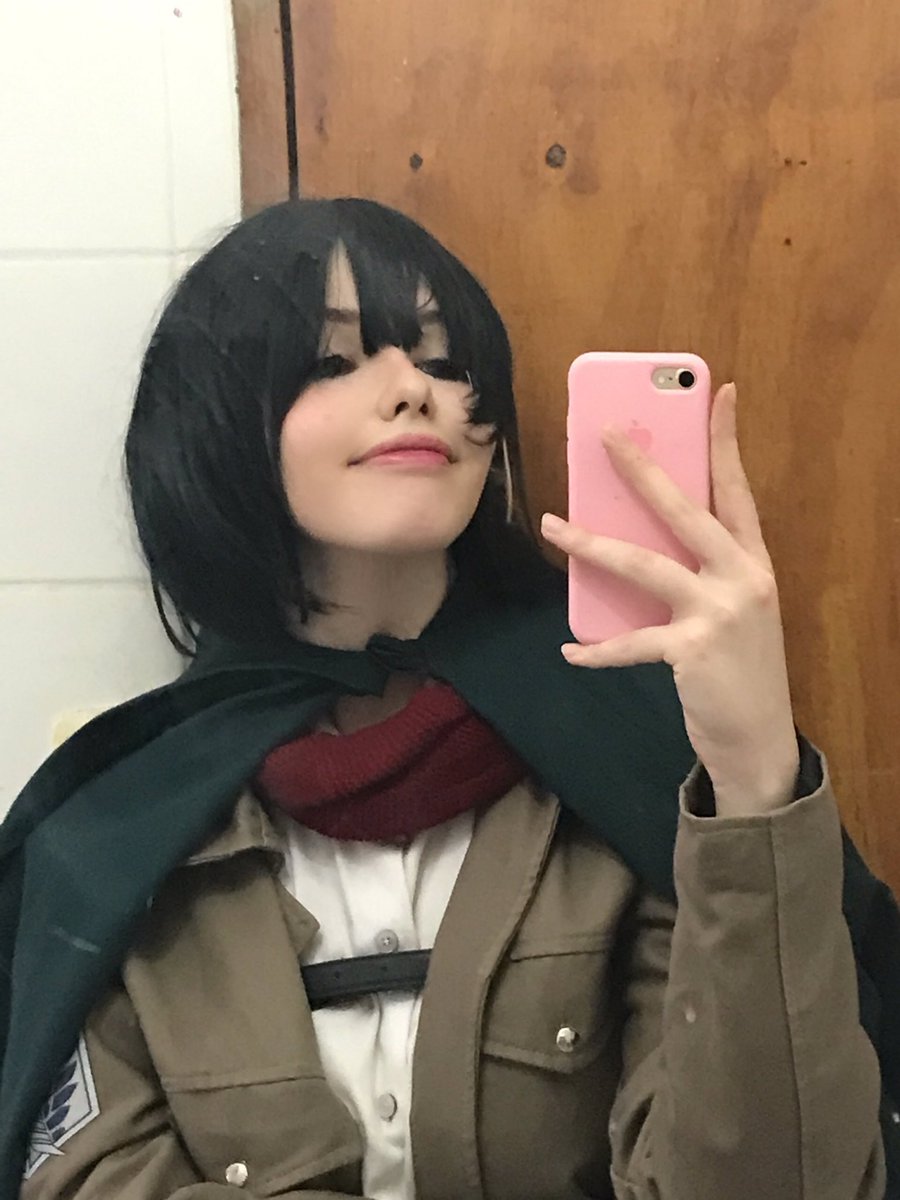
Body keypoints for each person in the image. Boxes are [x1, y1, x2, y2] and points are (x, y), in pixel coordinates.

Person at [8, 197, 888, 1199]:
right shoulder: (126, 821)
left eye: (444, 359)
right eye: (333, 361)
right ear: (214, 422)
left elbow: (775, 1180)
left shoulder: (627, 755)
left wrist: (756, 778)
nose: (413, 390)